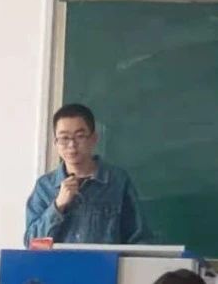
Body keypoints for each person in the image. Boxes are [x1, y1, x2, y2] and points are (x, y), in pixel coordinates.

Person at [24, 103, 150, 245]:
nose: (72, 145)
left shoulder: (117, 181)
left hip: (105, 260)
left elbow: (139, 238)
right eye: (64, 138)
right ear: (56, 143)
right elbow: (32, 243)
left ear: (93, 138)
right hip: (60, 261)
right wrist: (58, 206)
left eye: (80, 136)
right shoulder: (45, 187)